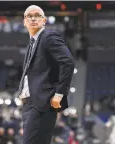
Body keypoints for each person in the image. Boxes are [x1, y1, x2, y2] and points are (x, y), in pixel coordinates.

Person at [17, 5, 75, 144]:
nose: (33, 18)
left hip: (42, 102)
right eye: (29, 16)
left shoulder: (48, 36)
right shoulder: (32, 43)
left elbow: (68, 62)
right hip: (29, 104)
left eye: (37, 15)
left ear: (44, 21)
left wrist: (59, 93)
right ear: (24, 21)